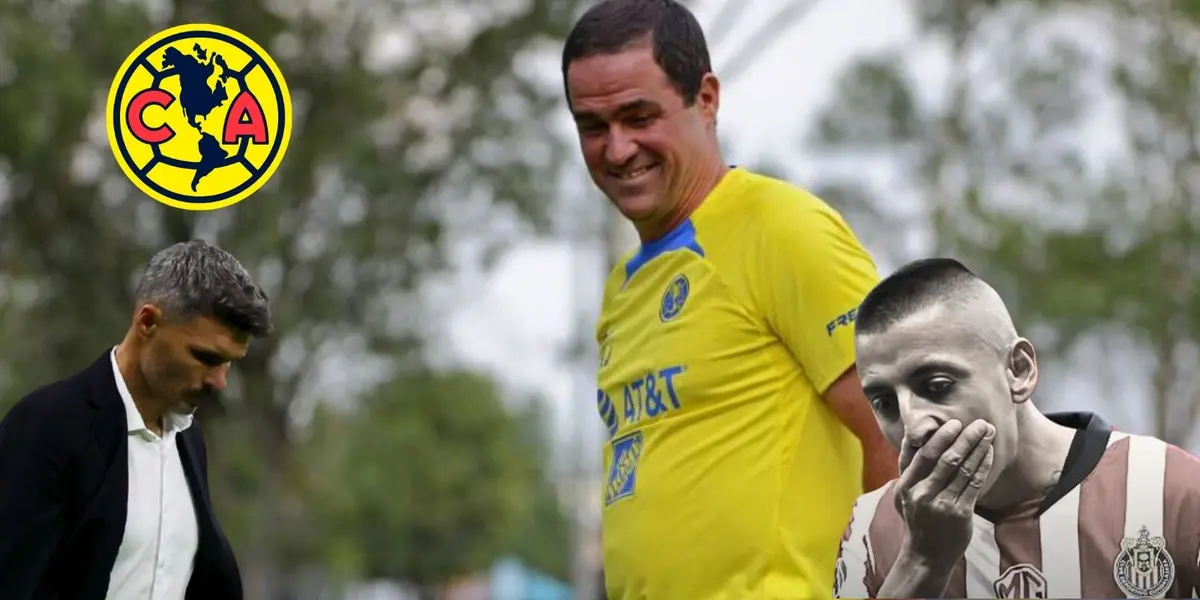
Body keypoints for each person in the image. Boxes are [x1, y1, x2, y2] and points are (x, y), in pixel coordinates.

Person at [563, 1, 899, 597]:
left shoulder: (780, 228)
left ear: (707, 98)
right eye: (593, 126)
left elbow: (900, 432)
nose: (617, 149)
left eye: (638, 116)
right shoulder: (623, 287)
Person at [834, 257, 1200, 599]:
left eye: (937, 385)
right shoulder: (871, 530)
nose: (913, 424)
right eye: (884, 402)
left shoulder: (1172, 492)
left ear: (1019, 371)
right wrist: (921, 564)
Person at [0, 239, 271, 599]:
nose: (219, 382)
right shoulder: (47, 425)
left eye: (229, 363)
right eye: (205, 357)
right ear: (147, 322)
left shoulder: (188, 440)